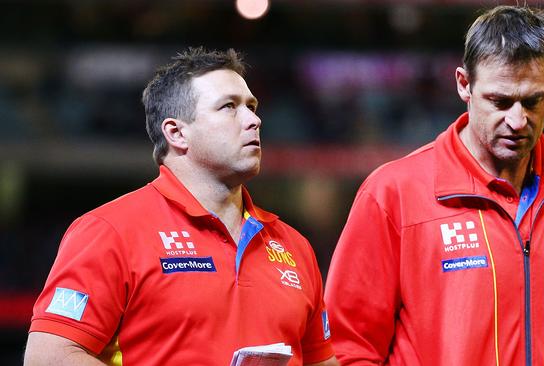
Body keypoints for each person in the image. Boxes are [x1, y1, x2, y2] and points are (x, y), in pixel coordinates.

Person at [324, 5, 544, 365]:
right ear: (463, 84)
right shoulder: (393, 193)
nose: (518, 121)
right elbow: (349, 347)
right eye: (500, 101)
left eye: (534, 101)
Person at [24, 48, 338, 366]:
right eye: (229, 107)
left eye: (252, 107)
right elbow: (49, 358)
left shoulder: (294, 246)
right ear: (177, 133)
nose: (253, 120)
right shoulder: (110, 231)